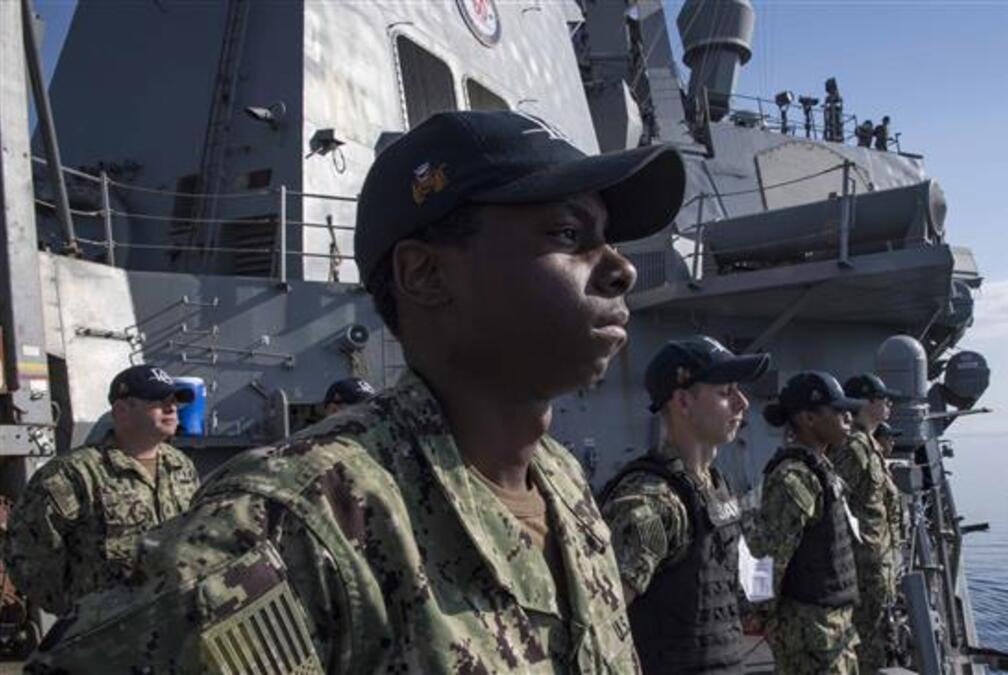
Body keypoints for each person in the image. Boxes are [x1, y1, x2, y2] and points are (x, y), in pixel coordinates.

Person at [29, 110, 686, 673]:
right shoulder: (293, 523)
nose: (622, 266)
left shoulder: (565, 486)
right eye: (569, 235)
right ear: (424, 273)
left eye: (609, 238)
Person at [600, 335, 769, 673]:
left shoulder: (715, 486)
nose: (742, 403)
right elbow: (601, 617)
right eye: (725, 393)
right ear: (683, 402)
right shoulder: (653, 501)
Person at [3, 365, 200, 617]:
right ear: (122, 410)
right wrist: (77, 613)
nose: (171, 408)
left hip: (173, 622)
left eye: (174, 400)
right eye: (158, 400)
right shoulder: (74, 473)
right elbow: (28, 552)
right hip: (106, 636)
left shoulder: (181, 467)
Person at [746, 371, 864, 675]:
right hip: (811, 631)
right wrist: (759, 613)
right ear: (808, 419)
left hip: (833, 627)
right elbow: (767, 555)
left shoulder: (820, 469)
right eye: (837, 410)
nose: (847, 416)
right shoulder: (794, 477)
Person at [831, 374, 904, 674]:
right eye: (881, 397)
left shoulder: (869, 446)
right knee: (863, 642)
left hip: (877, 565)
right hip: (862, 566)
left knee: (873, 637)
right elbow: (833, 503)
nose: (888, 403)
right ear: (863, 403)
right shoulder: (854, 448)